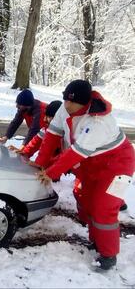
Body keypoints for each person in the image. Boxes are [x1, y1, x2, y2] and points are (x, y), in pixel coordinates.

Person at [34, 79, 135, 270]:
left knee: (102, 207)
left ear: (85, 103)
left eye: (73, 102)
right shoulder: (65, 109)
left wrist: (51, 172)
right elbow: (51, 137)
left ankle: (108, 255)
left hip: (117, 165)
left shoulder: (99, 120)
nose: (67, 104)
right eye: (65, 99)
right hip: (92, 162)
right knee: (85, 198)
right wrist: (39, 164)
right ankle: (96, 240)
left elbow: (75, 153)